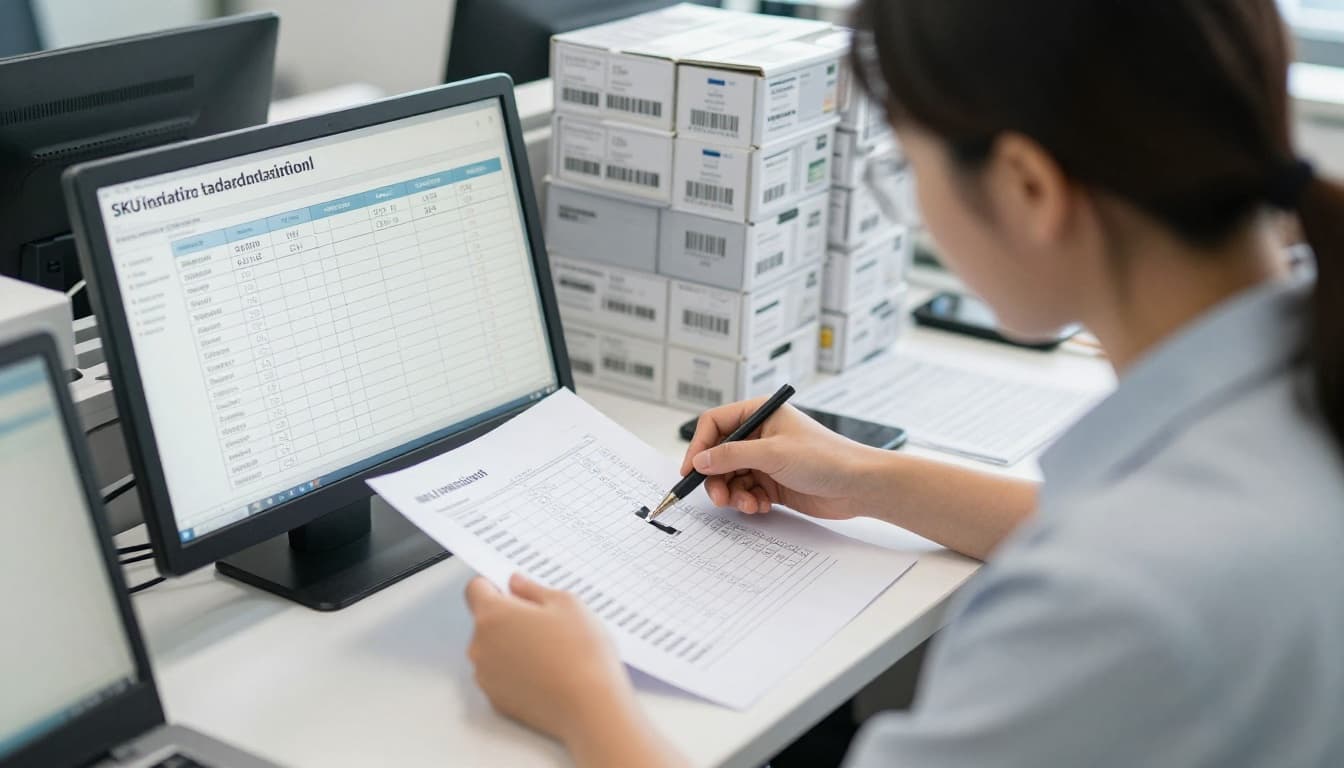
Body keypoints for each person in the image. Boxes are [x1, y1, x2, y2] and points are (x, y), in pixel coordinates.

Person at [462, 0, 1344, 764]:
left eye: (911, 172)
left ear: (1029, 188)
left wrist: (583, 703)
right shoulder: (1291, 397)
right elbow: (1160, 528)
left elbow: (1144, 569)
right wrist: (868, 479)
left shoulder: (1114, 603)